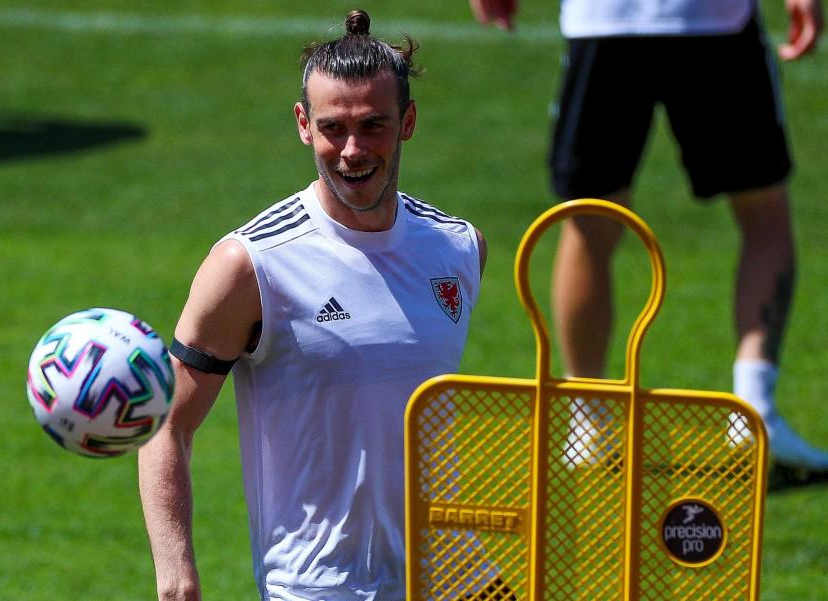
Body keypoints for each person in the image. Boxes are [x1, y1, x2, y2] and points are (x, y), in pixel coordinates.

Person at [138, 10, 488, 600]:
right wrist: (176, 575)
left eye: (373, 126)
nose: (352, 150)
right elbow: (165, 424)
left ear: (408, 123)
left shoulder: (459, 248)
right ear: (303, 124)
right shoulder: (251, 264)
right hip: (323, 586)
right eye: (333, 128)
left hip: (458, 580)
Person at [471, 0, 828, 472]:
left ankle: (588, 423)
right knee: (763, 215)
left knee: (588, 221)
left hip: (605, 18)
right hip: (713, 20)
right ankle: (754, 412)